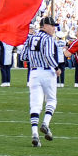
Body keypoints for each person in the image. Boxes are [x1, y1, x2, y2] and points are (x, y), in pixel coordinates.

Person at [26, 16, 60, 147]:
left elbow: (23, 56)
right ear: (45, 25)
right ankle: (45, 123)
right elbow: (48, 55)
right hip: (47, 72)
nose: (54, 29)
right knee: (51, 100)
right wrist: (56, 67)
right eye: (52, 26)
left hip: (34, 73)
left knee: (35, 105)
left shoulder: (30, 38)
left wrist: (35, 59)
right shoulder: (48, 39)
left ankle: (34, 133)